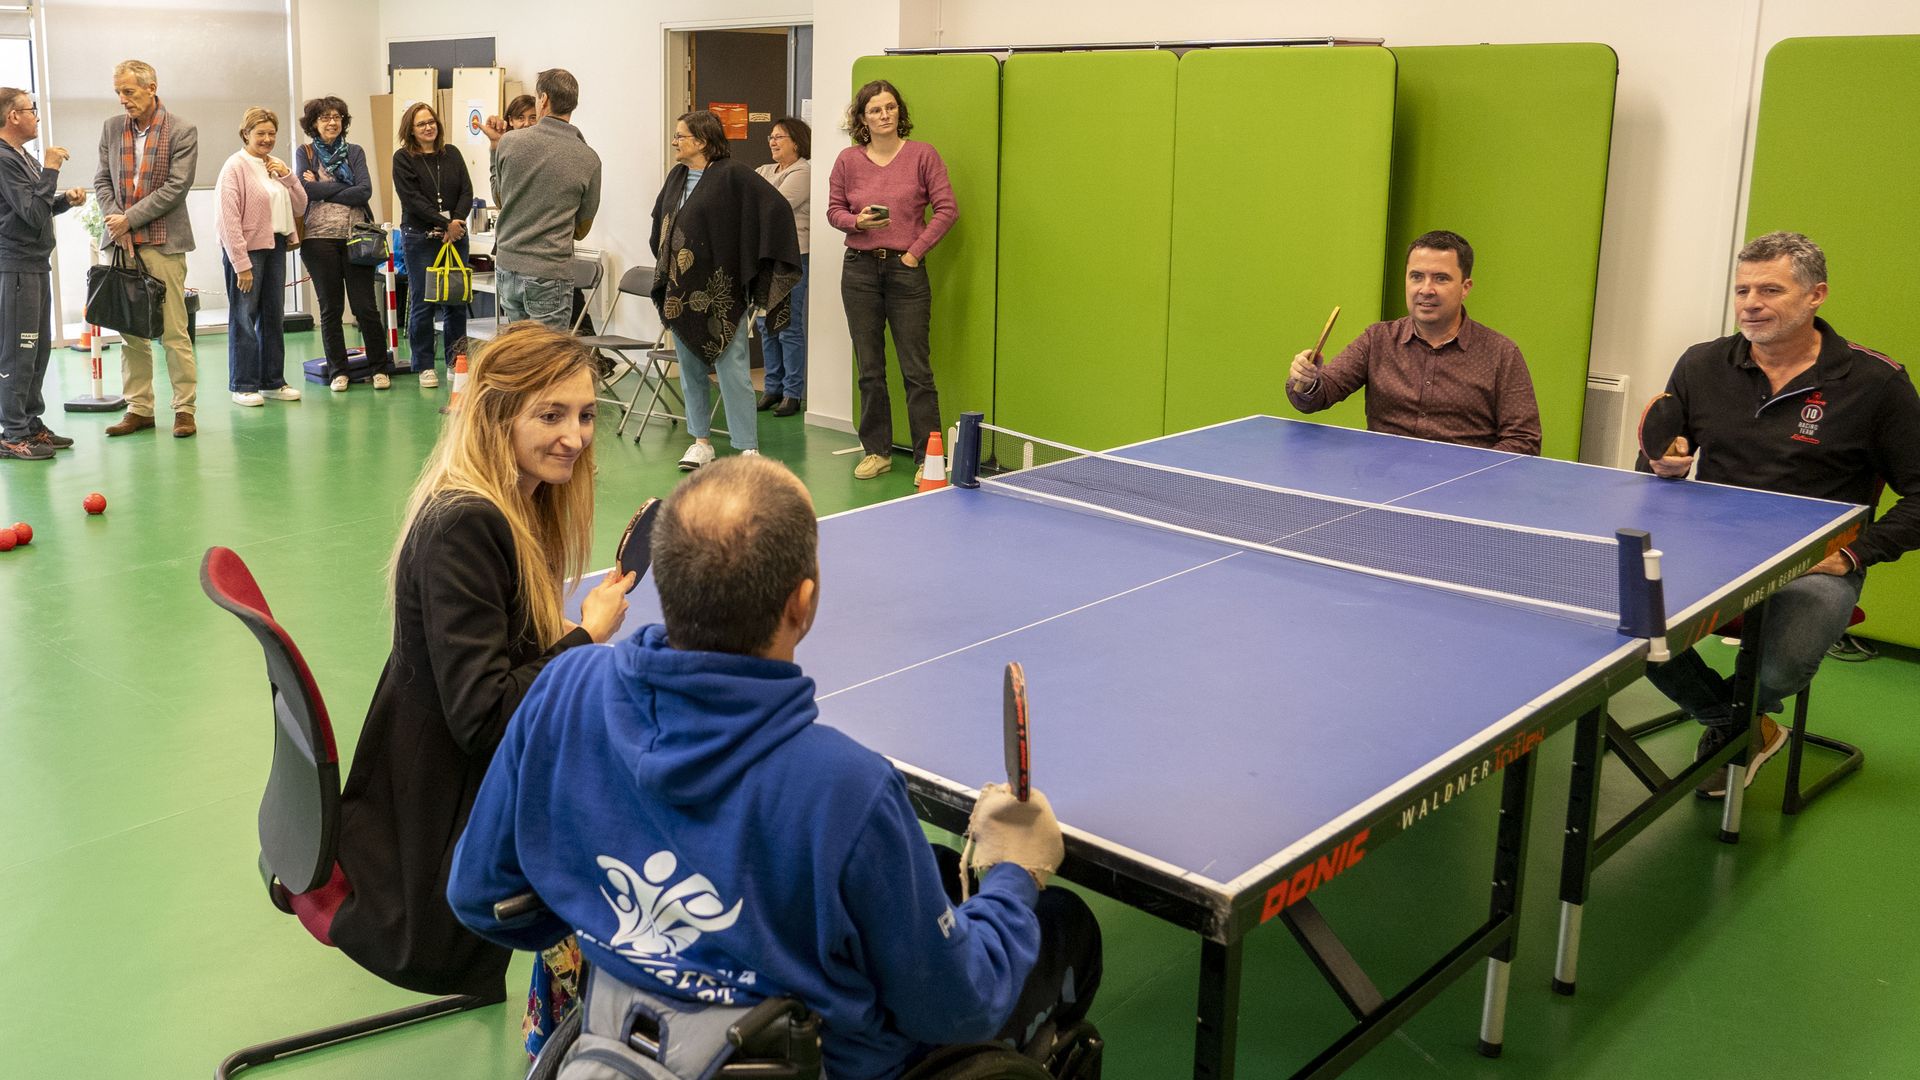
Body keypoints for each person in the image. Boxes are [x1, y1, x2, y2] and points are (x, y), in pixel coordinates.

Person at [448, 455, 1102, 1080]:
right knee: (1067, 927)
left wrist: (627, 933)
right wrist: (1017, 875)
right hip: (838, 1063)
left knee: (927, 869)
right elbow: (960, 1005)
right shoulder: (848, 791)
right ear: (803, 603)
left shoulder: (565, 690)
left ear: (667, 584)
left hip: (619, 1039)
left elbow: (482, 898)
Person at [328, 321, 634, 999]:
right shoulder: (466, 522)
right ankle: (575, 1023)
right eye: (550, 415)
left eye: (585, 415)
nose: (575, 437)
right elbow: (486, 719)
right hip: (446, 829)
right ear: (497, 414)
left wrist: (544, 630)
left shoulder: (511, 504)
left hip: (447, 786)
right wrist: (583, 638)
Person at [1642, 231, 1920, 798]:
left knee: (1779, 669)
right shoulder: (1701, 365)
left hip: (1815, 562)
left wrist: (1853, 555)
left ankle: (1740, 716)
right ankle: (1739, 725)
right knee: (1628, 625)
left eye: (1770, 289)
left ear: (1816, 295)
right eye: (1742, 289)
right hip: (1711, 548)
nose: (1750, 302)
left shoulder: (1876, 384)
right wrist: (1662, 467)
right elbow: (1659, 459)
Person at [1285, 230, 1542, 455]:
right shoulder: (1377, 339)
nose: (1426, 289)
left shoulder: (1501, 354)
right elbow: (1319, 395)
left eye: (1441, 278)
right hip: (1383, 481)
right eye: (1416, 276)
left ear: (1465, 287)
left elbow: (1524, 440)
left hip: (1466, 491)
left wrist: (1472, 478)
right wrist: (1307, 382)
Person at [649, 110, 800, 471]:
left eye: (680, 136)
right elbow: (661, 222)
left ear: (701, 141)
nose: (675, 142)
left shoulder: (732, 175)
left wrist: (748, 257)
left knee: (732, 367)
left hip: (721, 290)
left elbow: (776, 208)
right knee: (690, 367)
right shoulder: (677, 176)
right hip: (682, 290)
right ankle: (701, 442)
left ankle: (746, 446)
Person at [828, 80, 957, 480]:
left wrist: (915, 253)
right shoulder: (848, 160)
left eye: (890, 108)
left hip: (906, 271)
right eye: (875, 110)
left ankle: (927, 459)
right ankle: (877, 451)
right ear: (862, 119)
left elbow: (947, 210)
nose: (884, 115)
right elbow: (833, 211)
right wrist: (856, 221)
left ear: (899, 112)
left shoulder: (923, 155)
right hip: (859, 269)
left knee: (916, 369)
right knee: (869, 367)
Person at [94, 59, 199, 438]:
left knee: (173, 331)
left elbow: (176, 186)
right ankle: (139, 408)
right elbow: (102, 179)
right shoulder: (111, 128)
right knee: (130, 333)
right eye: (119, 92)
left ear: (151, 87)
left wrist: (130, 219)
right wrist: (113, 219)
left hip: (163, 244)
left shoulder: (182, 130)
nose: (123, 100)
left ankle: (184, 409)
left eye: (129, 91)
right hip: (120, 243)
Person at [0, 88, 85, 461]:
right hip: (15, 265)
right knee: (18, 352)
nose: (36, 115)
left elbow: (39, 206)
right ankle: (12, 433)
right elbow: (31, 215)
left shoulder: (22, 158)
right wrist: (52, 167)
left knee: (37, 350)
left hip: (35, 263)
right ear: (12, 116)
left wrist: (66, 200)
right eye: (30, 110)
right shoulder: (3, 159)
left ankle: (31, 423)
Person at [481, 68, 601, 330]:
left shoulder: (509, 143)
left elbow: (499, 199)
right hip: (549, 272)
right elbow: (581, 228)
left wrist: (494, 149)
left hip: (508, 267)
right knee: (547, 358)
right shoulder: (589, 158)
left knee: (521, 353)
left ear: (543, 99)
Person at [294, 96, 392, 393]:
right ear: (313, 123)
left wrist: (324, 189)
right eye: (324, 118)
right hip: (318, 239)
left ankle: (379, 368)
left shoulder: (355, 152)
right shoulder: (306, 152)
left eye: (336, 117)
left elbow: (363, 192)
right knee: (330, 309)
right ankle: (339, 371)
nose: (332, 122)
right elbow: (305, 189)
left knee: (365, 307)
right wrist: (342, 188)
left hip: (357, 238)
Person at [214, 107, 306, 407]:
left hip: (276, 246)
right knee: (243, 317)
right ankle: (243, 384)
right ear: (246, 134)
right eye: (260, 134)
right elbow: (228, 220)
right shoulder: (234, 166)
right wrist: (241, 265)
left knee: (273, 316)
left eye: (271, 134)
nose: (266, 139)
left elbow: (301, 205)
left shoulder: (274, 166)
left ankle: (272, 381)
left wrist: (288, 176)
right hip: (247, 251)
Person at [391, 101, 471, 388]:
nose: (429, 127)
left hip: (456, 235)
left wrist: (457, 221)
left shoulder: (452, 155)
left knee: (456, 300)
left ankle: (456, 361)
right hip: (420, 238)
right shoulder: (403, 159)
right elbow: (412, 199)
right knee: (424, 301)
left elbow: (466, 190)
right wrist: (443, 222)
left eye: (431, 122)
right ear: (411, 130)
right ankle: (424, 364)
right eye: (421, 124)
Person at [756, 117, 811, 418]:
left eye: (780, 137)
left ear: (797, 141)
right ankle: (771, 387)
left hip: (793, 258)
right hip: (765, 258)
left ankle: (792, 393)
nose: (773, 142)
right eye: (771, 137)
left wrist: (757, 201)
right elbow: (747, 200)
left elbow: (774, 207)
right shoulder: (765, 171)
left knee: (789, 327)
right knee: (766, 326)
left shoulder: (803, 171)